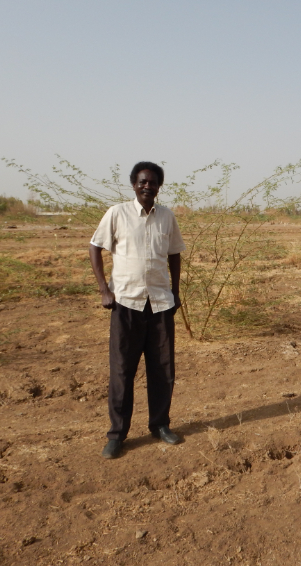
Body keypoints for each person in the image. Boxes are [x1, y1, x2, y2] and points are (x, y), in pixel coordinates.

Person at [88, 162, 187, 459]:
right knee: (122, 371)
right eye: (143, 181)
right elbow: (95, 247)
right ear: (133, 184)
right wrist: (104, 290)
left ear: (159, 187)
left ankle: (160, 425)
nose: (148, 186)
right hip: (126, 304)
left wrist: (175, 293)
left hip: (160, 304)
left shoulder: (167, 217)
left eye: (153, 182)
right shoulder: (117, 213)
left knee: (162, 370)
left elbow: (174, 255)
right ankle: (117, 435)